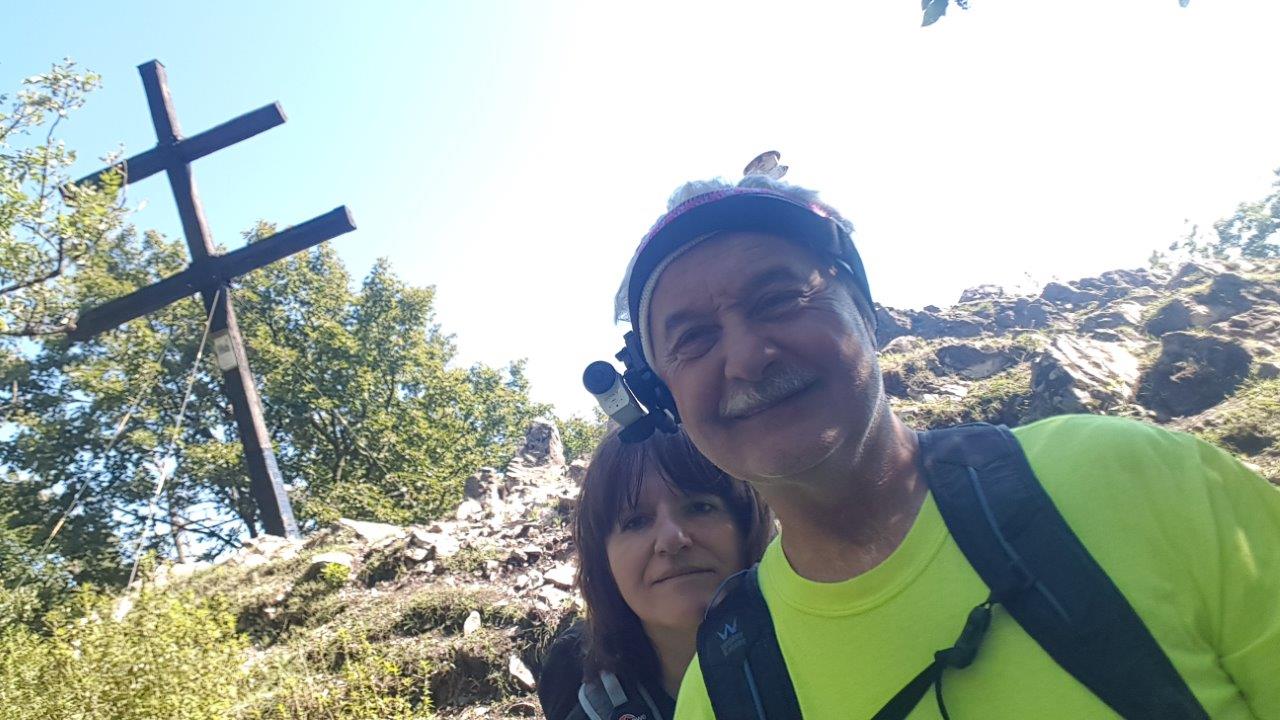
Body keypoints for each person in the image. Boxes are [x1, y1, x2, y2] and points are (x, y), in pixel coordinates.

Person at [593, 167, 1280, 719]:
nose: (745, 357)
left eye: (778, 298)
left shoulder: (1133, 479)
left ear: (865, 313)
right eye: (693, 339)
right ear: (664, 400)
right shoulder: (722, 690)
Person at [537, 427, 773, 720]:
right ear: (604, 562)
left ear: (747, 529)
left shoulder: (827, 660)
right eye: (636, 522)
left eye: (700, 507)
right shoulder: (577, 686)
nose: (671, 539)